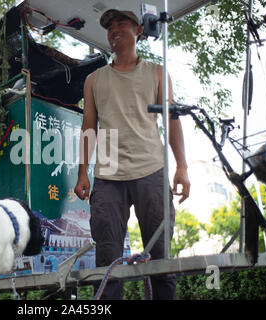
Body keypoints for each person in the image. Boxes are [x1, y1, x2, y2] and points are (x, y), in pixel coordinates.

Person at [74, 9, 190, 300]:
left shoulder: (157, 73)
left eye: (121, 23)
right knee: (108, 262)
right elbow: (89, 126)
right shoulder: (94, 80)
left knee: (161, 258)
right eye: (109, 26)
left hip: (152, 170)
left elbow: (172, 120)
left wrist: (182, 167)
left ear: (138, 30)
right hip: (108, 176)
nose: (114, 29)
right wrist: (82, 172)